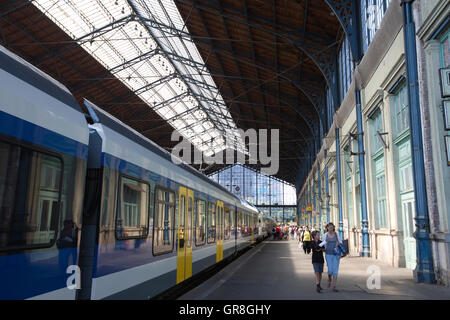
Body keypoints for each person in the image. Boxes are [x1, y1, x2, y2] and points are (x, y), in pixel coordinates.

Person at [319, 222, 343, 292]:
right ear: (327, 228)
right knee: (330, 270)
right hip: (328, 254)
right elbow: (322, 244)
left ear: (333, 228)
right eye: (329, 227)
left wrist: (338, 244)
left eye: (332, 227)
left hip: (336, 254)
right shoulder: (325, 235)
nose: (330, 228)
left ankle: (334, 286)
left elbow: (340, 243)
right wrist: (318, 246)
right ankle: (329, 279)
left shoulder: (336, 235)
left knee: (335, 270)